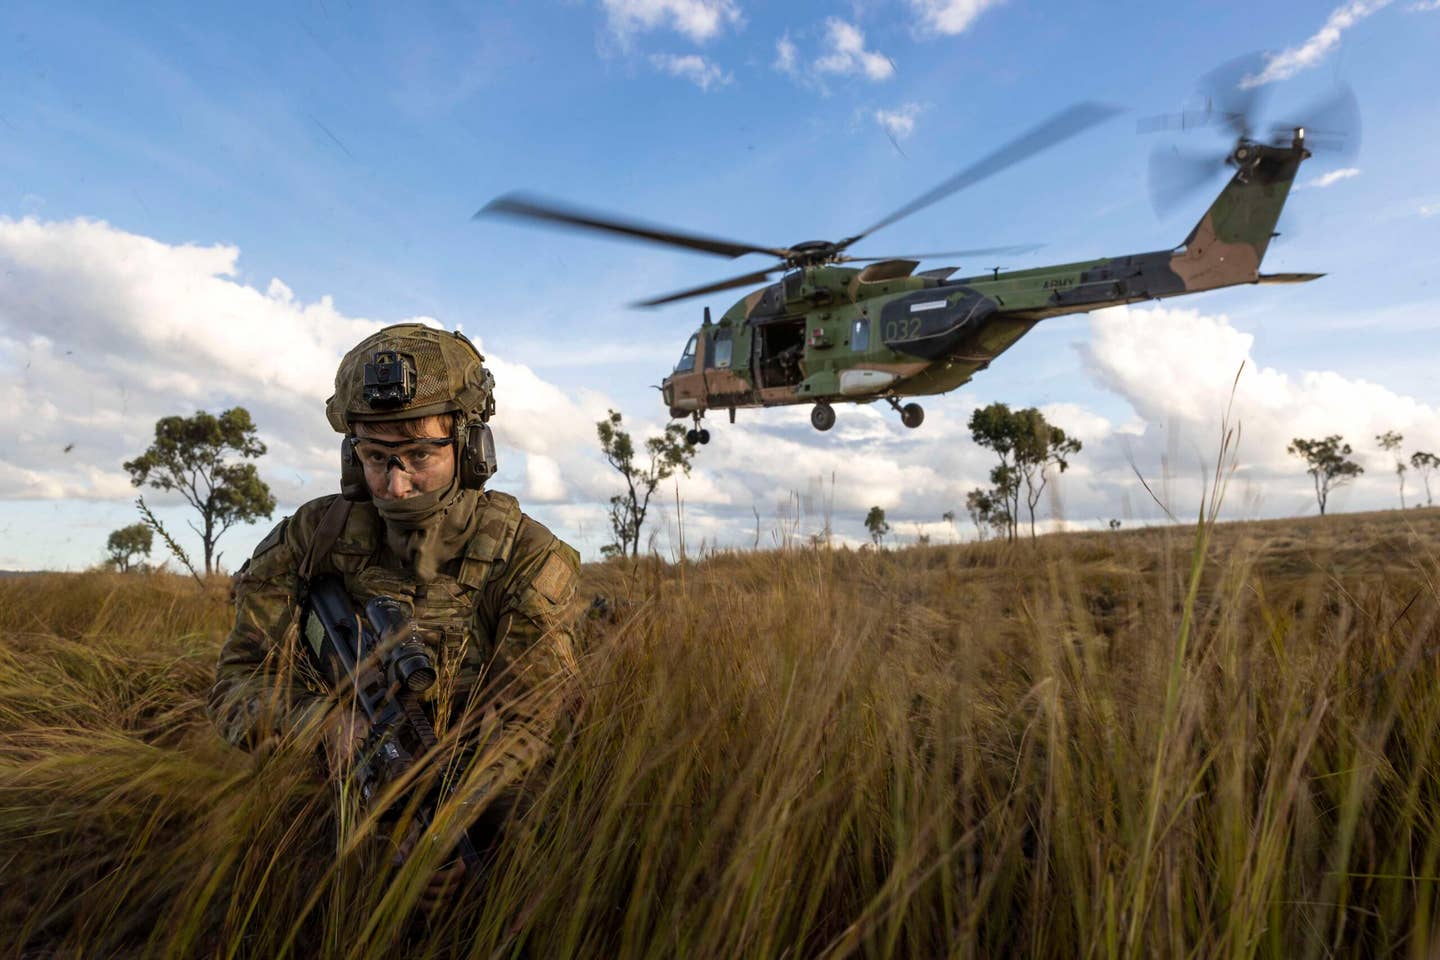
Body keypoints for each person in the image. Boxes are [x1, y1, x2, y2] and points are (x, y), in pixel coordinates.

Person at [207, 322, 580, 906]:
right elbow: (234, 684)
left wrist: (443, 827)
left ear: (471, 447)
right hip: (327, 816)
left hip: (482, 804)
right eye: (376, 457)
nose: (397, 483)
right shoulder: (314, 537)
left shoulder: (524, 556)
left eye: (419, 456)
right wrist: (322, 727)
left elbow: (537, 722)